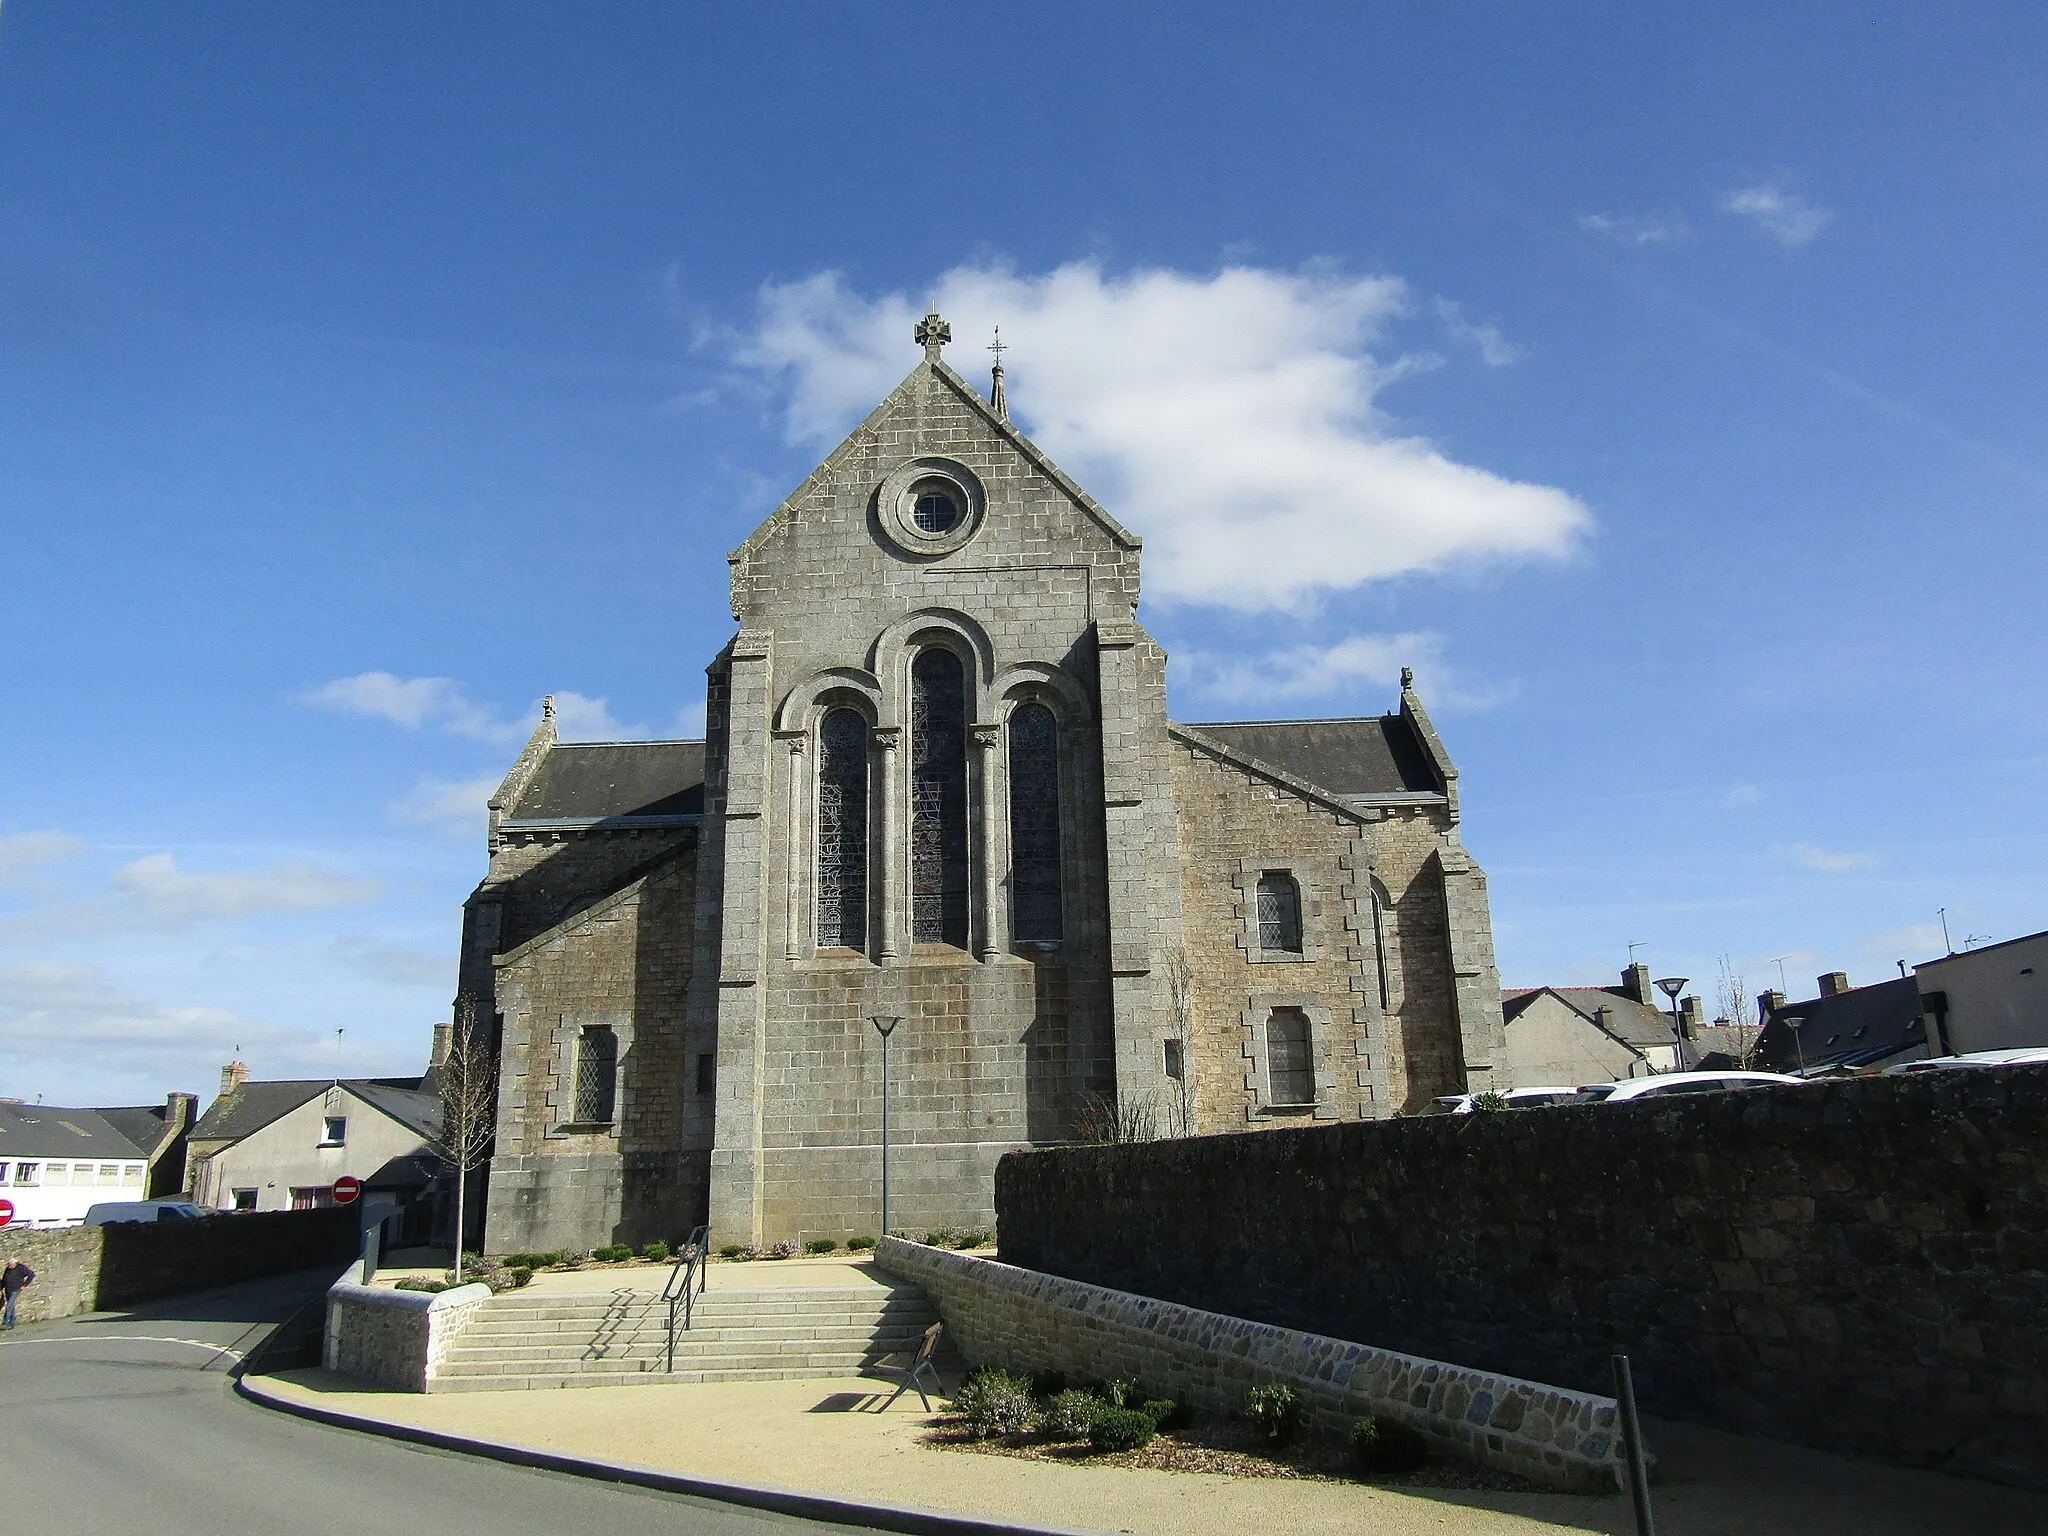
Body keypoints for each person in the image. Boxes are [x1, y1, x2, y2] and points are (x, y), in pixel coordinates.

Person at [1, 1256, 34, 1328]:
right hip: (8, 1289)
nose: (9, 1266)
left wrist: (24, 1285)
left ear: (15, 1263)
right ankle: (11, 1324)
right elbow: (4, 1279)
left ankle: (5, 1322)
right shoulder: (8, 1269)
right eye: (8, 1265)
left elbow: (31, 1275)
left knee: (9, 1305)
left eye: (10, 1265)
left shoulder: (21, 1268)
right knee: (11, 1306)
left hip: (16, 1289)